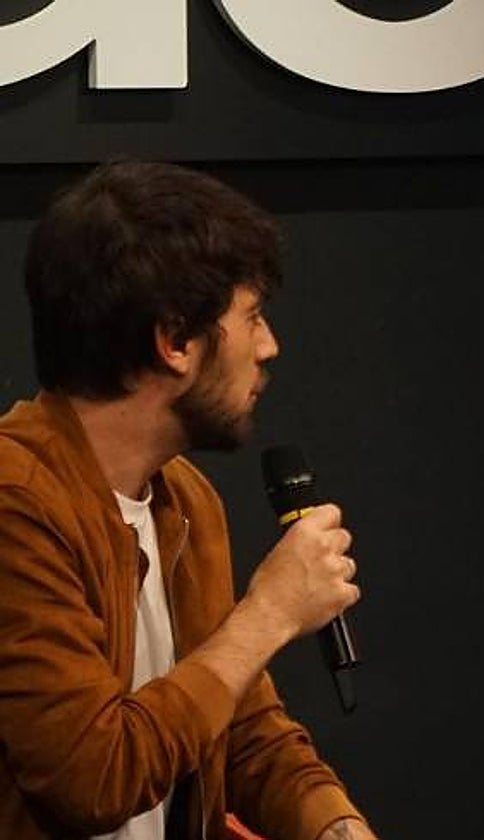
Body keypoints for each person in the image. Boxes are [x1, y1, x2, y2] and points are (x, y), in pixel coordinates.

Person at [0, 161, 378, 840]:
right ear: (174, 341)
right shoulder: (15, 502)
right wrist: (267, 614)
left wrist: (336, 828)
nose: (270, 347)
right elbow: (93, 777)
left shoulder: (186, 500)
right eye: (252, 317)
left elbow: (246, 732)